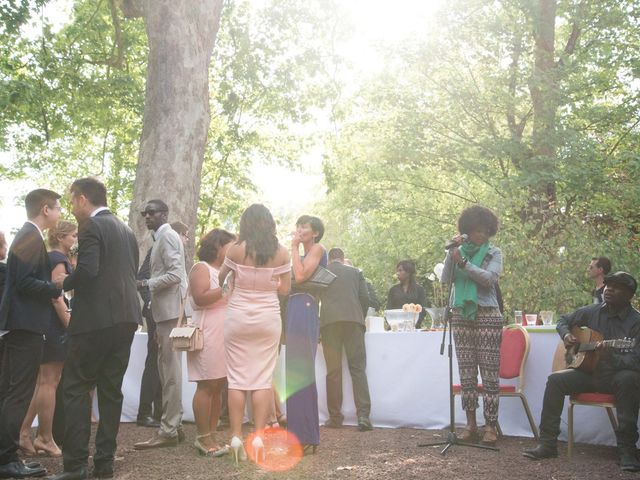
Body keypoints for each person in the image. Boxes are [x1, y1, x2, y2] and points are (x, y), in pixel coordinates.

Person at [48, 177, 142, 480]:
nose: (72, 207)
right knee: (111, 391)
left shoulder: (91, 225)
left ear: (83, 199)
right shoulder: (126, 230)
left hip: (96, 320)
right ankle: (104, 464)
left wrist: (64, 282)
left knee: (75, 387)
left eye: (72, 200)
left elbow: (88, 271)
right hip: (127, 317)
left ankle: (74, 465)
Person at [523, 271, 640, 472]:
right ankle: (548, 443)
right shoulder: (592, 311)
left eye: (616, 287)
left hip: (616, 376)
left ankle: (627, 450)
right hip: (589, 373)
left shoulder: (636, 322)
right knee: (555, 381)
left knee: (630, 378)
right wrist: (567, 335)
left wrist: (611, 357)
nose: (609, 289)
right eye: (608, 285)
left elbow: (635, 360)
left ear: (629, 295)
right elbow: (563, 321)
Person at [217, 204, 290, 464]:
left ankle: (236, 436)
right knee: (261, 379)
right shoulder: (281, 252)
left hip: (237, 317)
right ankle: (258, 436)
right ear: (269, 223)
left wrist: (234, 285)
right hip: (268, 318)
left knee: (236, 379)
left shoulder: (235, 249)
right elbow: (284, 291)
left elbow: (220, 278)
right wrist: (271, 280)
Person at [0, 189, 62, 479]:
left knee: (13, 392)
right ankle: (6, 460)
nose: (60, 213)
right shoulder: (30, 235)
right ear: (45, 208)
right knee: (19, 393)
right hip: (25, 325)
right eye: (57, 208)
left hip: (21, 324)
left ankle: (7, 456)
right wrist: (55, 286)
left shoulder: (29, 235)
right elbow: (25, 282)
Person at [441, 204, 503, 445]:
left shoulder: (494, 253)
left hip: (487, 313)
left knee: (489, 374)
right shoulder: (457, 252)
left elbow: (489, 280)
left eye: (486, 230)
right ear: (467, 230)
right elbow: (446, 279)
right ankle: (470, 424)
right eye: (477, 230)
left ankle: (491, 425)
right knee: (466, 373)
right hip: (461, 315)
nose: (482, 235)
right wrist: (451, 254)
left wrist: (464, 262)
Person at [19, 220, 77, 458]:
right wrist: (70, 326)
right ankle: (44, 437)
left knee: (42, 382)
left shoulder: (51, 258)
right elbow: (56, 297)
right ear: (62, 237)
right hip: (54, 327)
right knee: (49, 381)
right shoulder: (57, 260)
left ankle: (23, 433)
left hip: (47, 327)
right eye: (73, 236)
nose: (75, 240)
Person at [134, 200, 187, 450]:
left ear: (164, 214)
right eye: (145, 213)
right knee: (167, 370)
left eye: (152, 213)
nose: (147, 217)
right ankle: (174, 426)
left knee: (170, 372)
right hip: (164, 313)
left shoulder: (167, 236)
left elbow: (176, 275)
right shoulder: (161, 238)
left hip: (170, 313)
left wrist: (146, 284)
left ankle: (168, 429)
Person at [187, 228, 235, 457]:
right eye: (230, 245)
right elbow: (200, 297)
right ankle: (202, 436)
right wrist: (225, 287)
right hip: (207, 331)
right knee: (206, 384)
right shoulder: (202, 268)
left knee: (218, 385)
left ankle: (213, 434)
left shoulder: (226, 271)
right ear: (218, 246)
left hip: (225, 333)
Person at [286, 215, 326, 453]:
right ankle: (296, 434)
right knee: (294, 371)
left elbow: (300, 277)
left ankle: (306, 434)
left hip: (306, 307)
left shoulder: (318, 249)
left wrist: (292, 248)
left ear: (315, 233)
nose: (300, 230)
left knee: (301, 370)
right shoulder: (301, 254)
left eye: (305, 227)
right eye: (299, 226)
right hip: (293, 306)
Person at [320, 248, 372, 431]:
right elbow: (365, 298)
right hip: (353, 322)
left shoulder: (323, 273)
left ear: (329, 259)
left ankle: (335, 417)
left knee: (333, 371)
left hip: (330, 324)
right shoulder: (356, 272)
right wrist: (359, 316)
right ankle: (363, 416)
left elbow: (316, 298)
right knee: (358, 369)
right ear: (342, 258)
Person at [134, 245, 162, 429]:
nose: (186, 240)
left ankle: (160, 412)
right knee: (153, 361)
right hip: (155, 313)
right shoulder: (157, 248)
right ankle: (144, 413)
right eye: (185, 236)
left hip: (169, 313)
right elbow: (141, 277)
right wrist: (150, 301)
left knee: (163, 362)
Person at [386, 260, 427, 328]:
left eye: (400, 270)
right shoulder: (393, 290)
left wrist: (415, 323)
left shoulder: (419, 290)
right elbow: (388, 310)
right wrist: (393, 324)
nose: (397, 273)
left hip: (414, 327)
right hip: (396, 328)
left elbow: (423, 310)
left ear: (408, 272)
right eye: (397, 271)